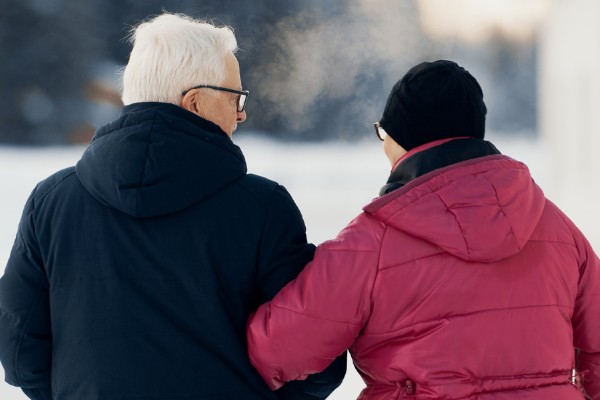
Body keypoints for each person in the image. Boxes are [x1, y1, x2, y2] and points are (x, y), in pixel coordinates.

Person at [0, 12, 344, 400]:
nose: (241, 113)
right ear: (195, 101)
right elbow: (312, 357)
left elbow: (19, 351)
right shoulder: (263, 208)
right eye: (236, 97)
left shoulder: (51, 202)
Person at [247, 60, 600, 399]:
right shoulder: (558, 228)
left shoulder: (370, 242)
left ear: (403, 139)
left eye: (383, 132)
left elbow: (279, 350)